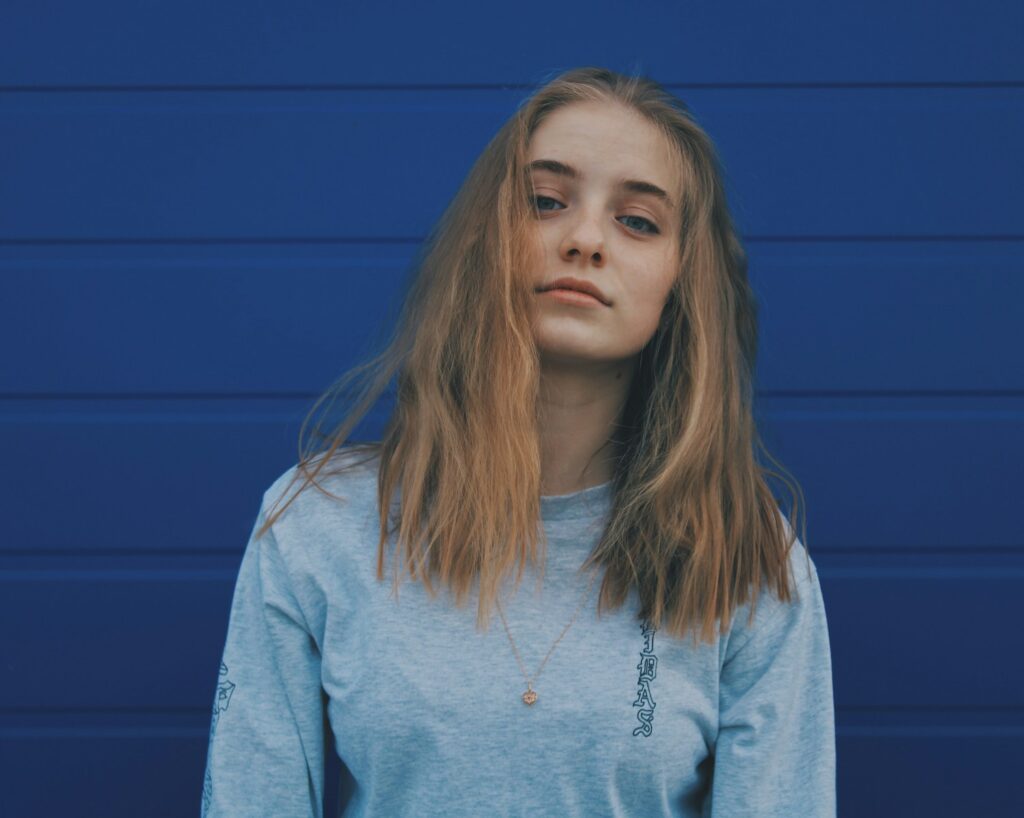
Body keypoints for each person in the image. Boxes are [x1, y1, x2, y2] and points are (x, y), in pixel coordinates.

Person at [200, 66, 836, 817]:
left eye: (638, 220)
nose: (586, 239)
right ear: (486, 239)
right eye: (545, 202)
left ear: (680, 283)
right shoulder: (318, 523)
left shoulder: (748, 560)